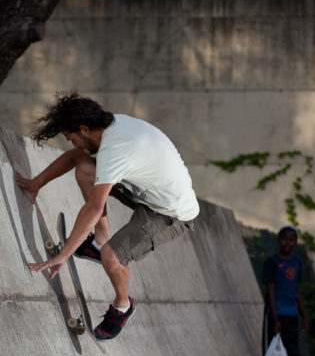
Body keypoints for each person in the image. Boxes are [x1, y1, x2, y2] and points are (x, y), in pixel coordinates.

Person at [15, 93, 199, 341]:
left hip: (170, 214)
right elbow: (74, 158)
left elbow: (94, 207)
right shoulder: (111, 126)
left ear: (84, 128)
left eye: (73, 139)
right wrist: (35, 184)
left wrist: (63, 254)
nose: (74, 145)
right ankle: (99, 241)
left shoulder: (116, 149)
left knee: (112, 256)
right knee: (85, 168)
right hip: (149, 193)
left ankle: (123, 306)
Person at [262, 225, 309, 356]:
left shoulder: (296, 263)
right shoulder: (271, 263)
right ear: (278, 240)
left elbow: (296, 292)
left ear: (295, 242)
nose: (287, 243)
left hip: (292, 316)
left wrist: (303, 317)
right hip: (276, 315)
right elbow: (271, 292)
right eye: (284, 239)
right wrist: (275, 319)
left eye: (291, 240)